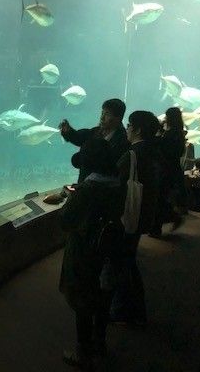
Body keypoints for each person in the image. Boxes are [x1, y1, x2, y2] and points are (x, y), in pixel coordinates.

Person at [59, 137, 123, 369]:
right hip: (109, 250)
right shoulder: (117, 184)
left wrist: (70, 198)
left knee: (83, 300)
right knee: (103, 297)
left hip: (85, 252)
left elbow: (66, 220)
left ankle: (83, 352)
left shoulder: (87, 189)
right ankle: (99, 343)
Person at [110, 111, 161, 326]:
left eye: (130, 125)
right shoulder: (153, 151)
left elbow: (117, 184)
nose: (127, 128)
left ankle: (126, 311)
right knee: (129, 259)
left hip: (128, 215)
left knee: (123, 262)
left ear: (138, 129)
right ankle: (136, 310)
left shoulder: (132, 154)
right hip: (143, 213)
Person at [59, 98, 130, 183]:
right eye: (102, 113)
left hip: (102, 187)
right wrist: (69, 132)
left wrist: (83, 159)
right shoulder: (96, 131)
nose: (102, 117)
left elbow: (112, 167)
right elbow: (80, 138)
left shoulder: (122, 140)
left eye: (107, 114)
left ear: (118, 118)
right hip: (85, 184)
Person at [150, 107, 186, 237]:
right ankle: (172, 218)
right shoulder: (179, 133)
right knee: (163, 198)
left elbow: (161, 147)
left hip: (165, 170)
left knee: (160, 198)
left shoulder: (170, 134)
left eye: (166, 116)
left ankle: (157, 228)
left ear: (169, 118)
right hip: (173, 169)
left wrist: (159, 132)